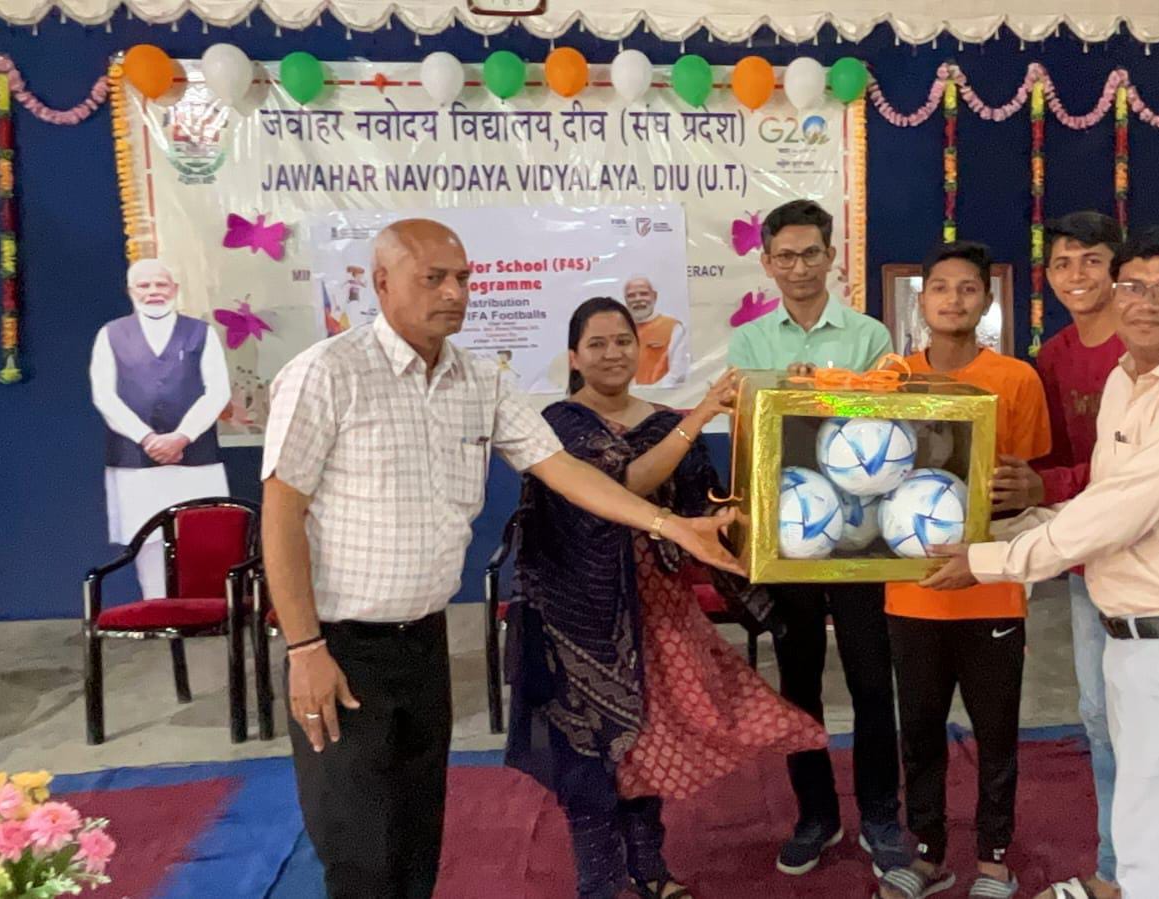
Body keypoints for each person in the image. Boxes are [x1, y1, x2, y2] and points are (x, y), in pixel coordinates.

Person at [260, 219, 741, 899]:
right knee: (359, 847)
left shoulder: (478, 379)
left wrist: (671, 525)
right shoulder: (326, 373)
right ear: (382, 283)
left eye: (462, 278)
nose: (454, 292)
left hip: (425, 643)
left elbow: (563, 469)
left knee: (417, 834)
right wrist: (304, 647)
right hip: (339, 647)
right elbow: (281, 512)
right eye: (433, 278)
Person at [923, 226, 1159, 899]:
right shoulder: (1124, 379)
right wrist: (996, 529)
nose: (1147, 304)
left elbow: (1119, 512)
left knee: (1158, 838)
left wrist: (990, 559)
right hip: (1132, 632)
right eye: (1134, 287)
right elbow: (1100, 496)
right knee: (1139, 824)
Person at [507, 297, 828, 899]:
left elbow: (703, 501)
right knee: (590, 749)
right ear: (573, 357)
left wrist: (753, 523)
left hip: (657, 607)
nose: (613, 354)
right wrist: (699, 414)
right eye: (597, 344)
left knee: (648, 744)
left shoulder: (661, 421)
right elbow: (623, 484)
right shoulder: (559, 424)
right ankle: (599, 883)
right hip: (581, 613)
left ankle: (650, 870)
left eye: (623, 341)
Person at [727, 200, 907, 878]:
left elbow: (886, 425)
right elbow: (752, 432)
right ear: (767, 262)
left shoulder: (868, 335)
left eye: (810, 254)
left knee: (871, 678)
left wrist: (820, 397)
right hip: (788, 537)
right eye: (786, 256)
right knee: (797, 682)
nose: (799, 267)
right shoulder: (749, 342)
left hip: (860, 535)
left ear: (832, 257)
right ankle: (816, 814)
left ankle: (881, 813)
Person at [876, 242, 1050, 899]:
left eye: (967, 288)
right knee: (919, 731)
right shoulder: (888, 379)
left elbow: (1022, 484)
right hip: (911, 589)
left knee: (996, 732)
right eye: (941, 288)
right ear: (921, 301)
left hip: (991, 588)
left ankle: (994, 860)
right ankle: (926, 854)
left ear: (986, 300)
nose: (953, 299)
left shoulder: (1016, 379)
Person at [990, 211, 1125, 899]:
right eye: (1063, 263)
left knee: (1148, 717)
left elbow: (1144, 467)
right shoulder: (1052, 357)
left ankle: (1132, 867)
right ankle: (1117, 864)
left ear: (1118, 269)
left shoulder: (1144, 346)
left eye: (1091, 260)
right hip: (1084, 557)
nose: (1077, 275)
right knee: (1098, 712)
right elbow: (1041, 461)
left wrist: (1050, 486)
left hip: (1154, 558)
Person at [89, 258, 230, 599]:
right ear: (130, 291)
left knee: (205, 536)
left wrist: (182, 436)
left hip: (196, 457)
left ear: (175, 289)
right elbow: (104, 395)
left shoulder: (201, 332)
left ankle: (206, 611)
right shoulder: (111, 334)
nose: (153, 292)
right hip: (135, 459)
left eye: (161, 284)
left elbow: (218, 391)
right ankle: (157, 607)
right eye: (144, 285)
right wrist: (147, 438)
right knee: (146, 540)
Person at [624, 276, 689, 387]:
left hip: (664, 393)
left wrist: (650, 392)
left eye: (643, 294)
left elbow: (678, 373)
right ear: (626, 300)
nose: (637, 299)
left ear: (654, 296)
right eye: (631, 295)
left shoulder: (674, 327)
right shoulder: (619, 328)